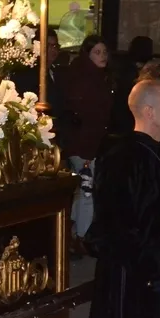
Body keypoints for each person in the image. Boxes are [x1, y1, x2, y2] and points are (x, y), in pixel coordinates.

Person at [85, 80, 160, 318]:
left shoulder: (159, 151)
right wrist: (156, 266)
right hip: (132, 272)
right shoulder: (124, 158)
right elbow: (119, 223)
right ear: (149, 111)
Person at [60, 34, 113, 255]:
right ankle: (81, 237)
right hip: (84, 146)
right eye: (97, 52)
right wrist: (88, 150)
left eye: (104, 52)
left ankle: (75, 233)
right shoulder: (86, 80)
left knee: (82, 192)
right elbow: (86, 118)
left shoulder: (94, 77)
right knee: (86, 192)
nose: (103, 57)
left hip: (85, 145)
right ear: (87, 54)